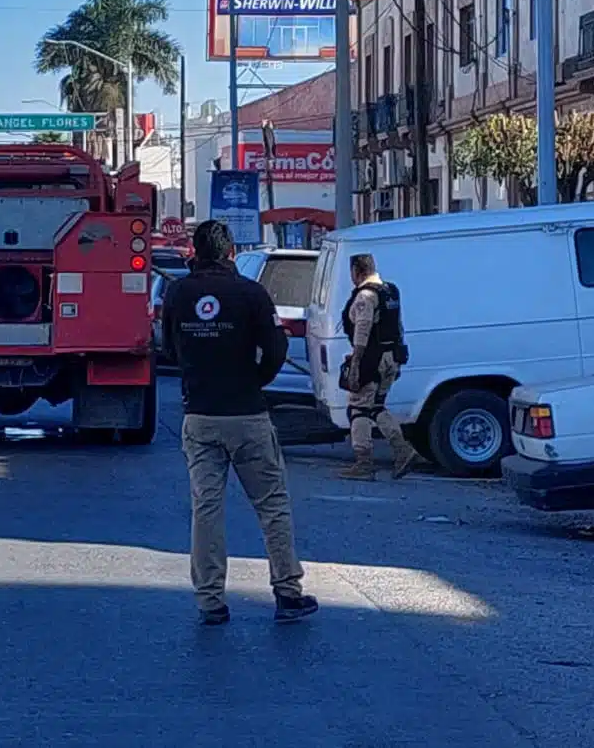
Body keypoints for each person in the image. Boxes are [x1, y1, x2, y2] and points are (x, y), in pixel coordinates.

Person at [168, 219, 318, 626]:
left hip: (199, 415)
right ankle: (288, 592)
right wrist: (255, 380)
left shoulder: (179, 293)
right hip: (247, 414)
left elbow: (169, 347)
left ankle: (210, 600)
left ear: (194, 253)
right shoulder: (251, 294)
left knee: (207, 508)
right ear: (230, 251)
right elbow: (274, 349)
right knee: (272, 505)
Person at [338, 252, 418, 481]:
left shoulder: (365, 296)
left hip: (371, 359)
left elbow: (362, 331)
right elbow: (398, 326)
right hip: (391, 356)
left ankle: (364, 463)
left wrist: (356, 364)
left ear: (357, 271)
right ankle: (403, 450)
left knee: (358, 408)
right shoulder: (390, 291)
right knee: (377, 406)